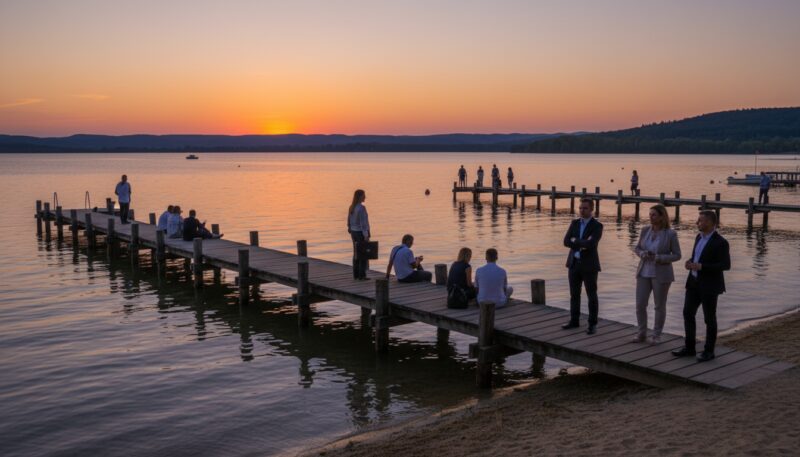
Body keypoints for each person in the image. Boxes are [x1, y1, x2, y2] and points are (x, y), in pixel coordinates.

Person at [672, 210, 730, 362]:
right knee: (687, 313)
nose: (698, 223)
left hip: (710, 286)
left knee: (709, 318)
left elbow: (725, 265)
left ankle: (709, 351)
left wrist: (701, 267)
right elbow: (697, 257)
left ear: (711, 223)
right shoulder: (698, 237)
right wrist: (690, 263)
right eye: (698, 220)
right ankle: (689, 348)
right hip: (693, 283)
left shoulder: (721, 242)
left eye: (701, 221)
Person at [633, 204, 682, 344]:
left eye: (654, 214)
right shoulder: (645, 230)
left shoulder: (670, 234)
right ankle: (641, 333)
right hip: (643, 272)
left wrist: (659, 258)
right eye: (650, 214)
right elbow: (637, 248)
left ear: (661, 217)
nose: (650, 217)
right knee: (640, 304)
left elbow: (677, 255)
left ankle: (656, 335)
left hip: (661, 274)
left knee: (659, 306)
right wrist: (642, 253)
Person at [562, 198, 604, 334]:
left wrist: (576, 241)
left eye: (585, 208)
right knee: (574, 294)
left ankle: (592, 324)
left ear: (592, 209)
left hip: (589, 266)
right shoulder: (574, 223)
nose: (581, 210)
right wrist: (581, 242)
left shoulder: (597, 226)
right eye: (580, 208)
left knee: (591, 295)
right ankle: (574, 321)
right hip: (573, 264)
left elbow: (591, 244)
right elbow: (566, 241)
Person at [347, 189, 370, 280]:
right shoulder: (361, 208)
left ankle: (356, 274)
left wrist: (349, 227)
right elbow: (363, 223)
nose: (365, 197)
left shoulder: (351, 207)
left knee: (356, 253)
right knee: (362, 254)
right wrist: (366, 235)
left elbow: (348, 220)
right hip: (360, 233)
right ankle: (362, 275)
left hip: (353, 232)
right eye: (364, 195)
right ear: (360, 196)